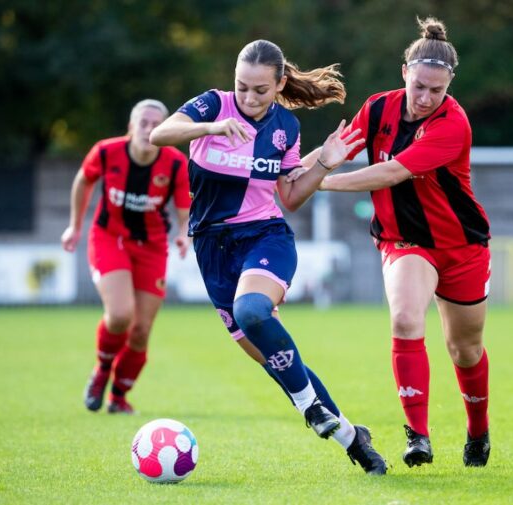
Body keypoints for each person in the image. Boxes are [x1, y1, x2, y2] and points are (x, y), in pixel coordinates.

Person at [150, 39, 387, 475]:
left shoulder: (286, 128)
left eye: (260, 90)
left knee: (252, 311)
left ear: (279, 84)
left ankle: (308, 408)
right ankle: (354, 438)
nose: (249, 97)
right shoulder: (212, 106)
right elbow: (158, 134)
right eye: (242, 87)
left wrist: (325, 165)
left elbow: (292, 196)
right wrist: (211, 128)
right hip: (212, 248)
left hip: (265, 237)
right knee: (277, 359)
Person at [305, 17, 492, 467]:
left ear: (448, 87)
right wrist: (291, 171)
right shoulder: (377, 109)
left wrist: (320, 185)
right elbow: (332, 152)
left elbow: (392, 172)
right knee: (406, 319)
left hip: (462, 247)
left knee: (464, 349)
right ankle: (418, 435)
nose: (426, 98)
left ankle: (478, 431)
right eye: (420, 86)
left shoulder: (454, 124)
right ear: (404, 71)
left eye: (437, 90)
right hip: (403, 241)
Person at [61, 99, 191, 415]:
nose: (150, 129)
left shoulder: (175, 164)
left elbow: (185, 210)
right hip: (110, 238)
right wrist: (74, 226)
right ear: (131, 127)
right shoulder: (106, 152)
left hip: (152, 245)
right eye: (143, 123)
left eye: (157, 124)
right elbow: (83, 180)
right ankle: (101, 371)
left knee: (141, 330)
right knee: (120, 315)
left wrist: (184, 233)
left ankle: (118, 396)